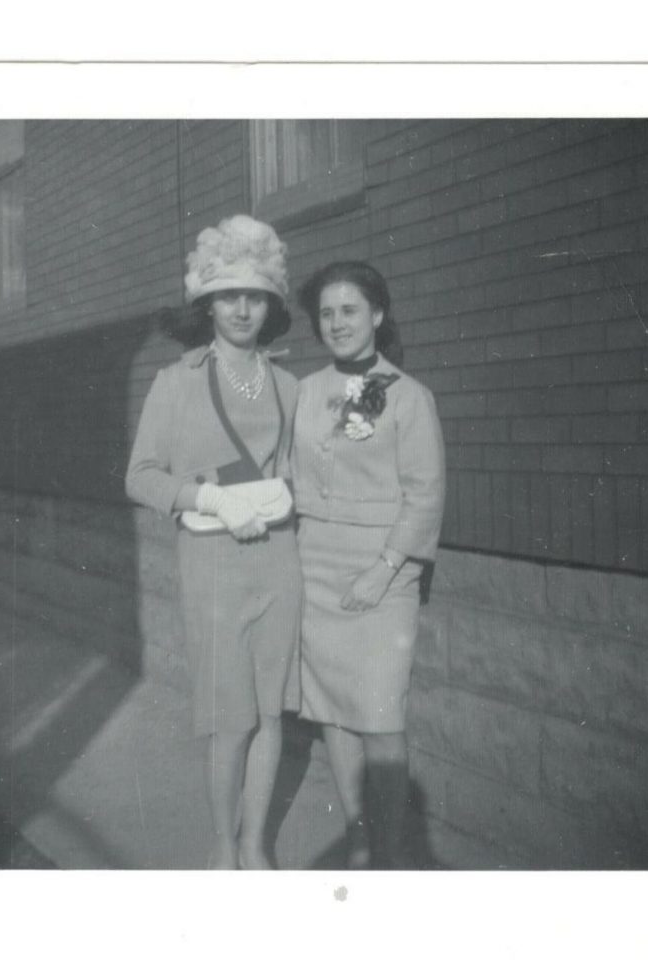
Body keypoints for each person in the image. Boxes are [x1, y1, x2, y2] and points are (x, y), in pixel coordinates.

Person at [126, 215, 302, 870]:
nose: (242, 308)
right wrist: (209, 498)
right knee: (231, 716)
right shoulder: (176, 383)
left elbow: (296, 471)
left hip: (279, 562)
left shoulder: (288, 385)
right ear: (207, 302)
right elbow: (139, 477)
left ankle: (256, 843)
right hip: (212, 563)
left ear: (272, 303)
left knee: (272, 714)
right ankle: (222, 845)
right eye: (229, 294)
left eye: (255, 295)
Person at [292, 260, 446, 869]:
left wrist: (383, 570)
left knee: (379, 714)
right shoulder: (304, 392)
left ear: (378, 315)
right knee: (334, 713)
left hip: (384, 572)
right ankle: (358, 839)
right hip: (316, 566)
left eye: (350, 310)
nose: (338, 323)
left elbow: (426, 492)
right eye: (327, 314)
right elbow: (286, 472)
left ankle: (391, 850)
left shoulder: (410, 398)